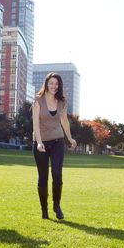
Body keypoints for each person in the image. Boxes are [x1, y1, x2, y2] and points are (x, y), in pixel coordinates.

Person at [32, 72, 77, 220]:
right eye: (51, 83)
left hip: (58, 140)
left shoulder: (62, 102)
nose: (54, 86)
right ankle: (44, 210)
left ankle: (56, 206)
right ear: (46, 84)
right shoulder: (38, 100)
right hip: (41, 142)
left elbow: (64, 121)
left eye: (56, 84)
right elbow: (35, 124)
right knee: (43, 177)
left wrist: (70, 138)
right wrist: (39, 142)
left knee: (57, 175)